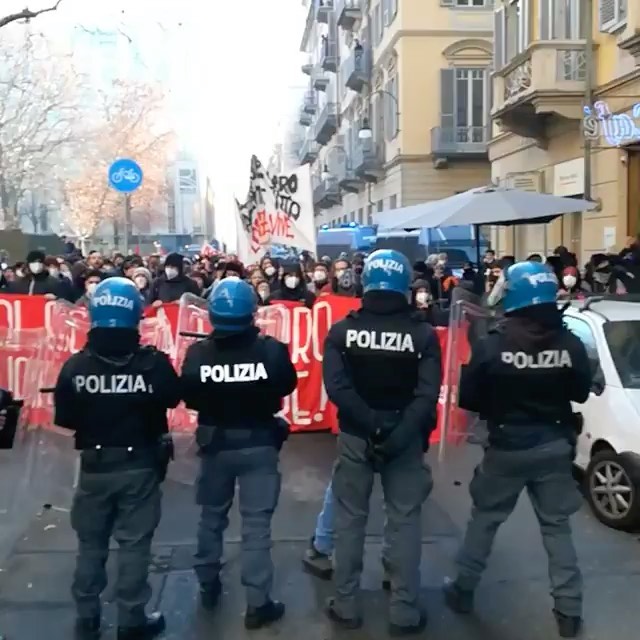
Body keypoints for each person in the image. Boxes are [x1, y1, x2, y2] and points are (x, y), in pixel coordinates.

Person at [442, 261, 592, 639]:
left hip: (506, 448)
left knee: (485, 521)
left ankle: (462, 590)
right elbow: (580, 392)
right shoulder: (570, 342)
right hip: (555, 446)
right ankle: (569, 611)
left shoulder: (493, 345)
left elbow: (470, 399)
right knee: (557, 530)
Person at [53, 277, 181, 640]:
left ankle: (87, 617)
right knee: (134, 546)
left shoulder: (75, 367)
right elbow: (174, 397)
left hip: (94, 468)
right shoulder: (152, 364)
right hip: (140, 466)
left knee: (91, 545)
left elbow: (65, 418)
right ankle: (131, 621)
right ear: (136, 314)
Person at [322, 249, 442, 634]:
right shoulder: (422, 334)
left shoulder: (343, 331)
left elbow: (337, 388)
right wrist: (398, 431)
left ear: (365, 281)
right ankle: (404, 609)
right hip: (404, 439)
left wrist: (370, 424)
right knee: (404, 521)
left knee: (350, 519)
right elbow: (427, 394)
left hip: (357, 436)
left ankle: (345, 604)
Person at [180, 279, 298, 630]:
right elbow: (286, 384)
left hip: (216, 446)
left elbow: (190, 397)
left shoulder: (198, 355)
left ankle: (208, 583)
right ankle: (258, 603)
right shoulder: (271, 351)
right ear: (251, 311)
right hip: (259, 444)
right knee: (256, 526)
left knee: (211, 518)